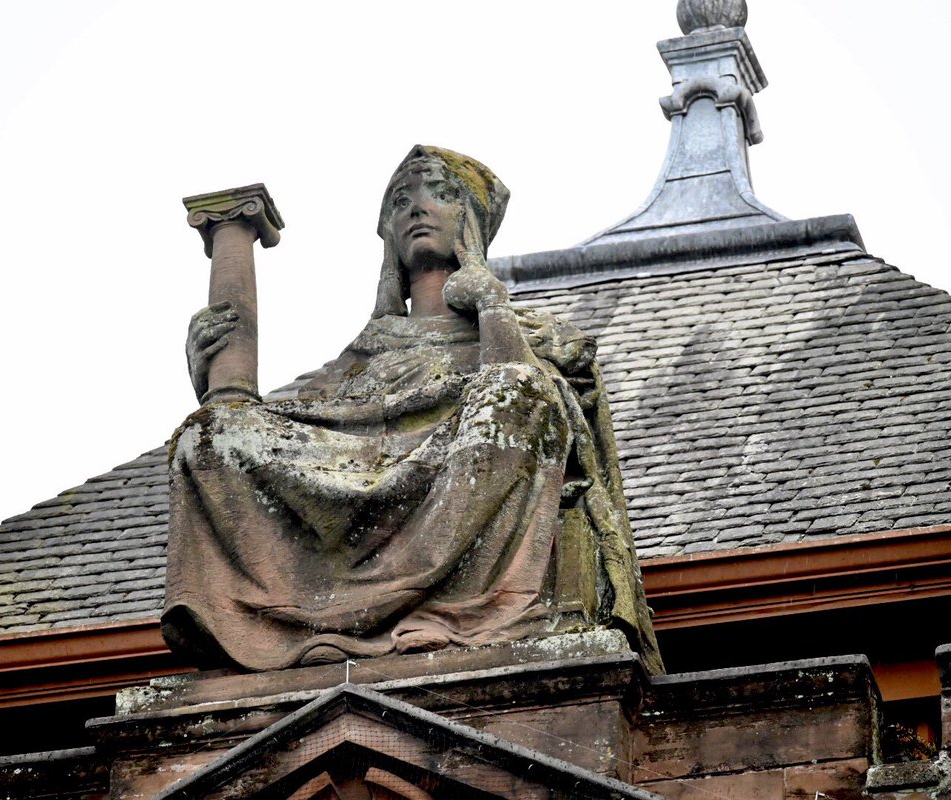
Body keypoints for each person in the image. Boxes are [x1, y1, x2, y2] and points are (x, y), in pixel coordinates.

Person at [162, 146, 662, 672]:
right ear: (388, 234)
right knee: (209, 434)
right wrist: (216, 389)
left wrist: (491, 306)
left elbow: (545, 415)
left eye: (440, 194)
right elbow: (298, 422)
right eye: (401, 201)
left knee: (519, 389)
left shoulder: (533, 335)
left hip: (467, 475)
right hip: (358, 480)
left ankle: (450, 607)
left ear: (470, 221)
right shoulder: (364, 354)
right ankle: (316, 617)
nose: (418, 208)